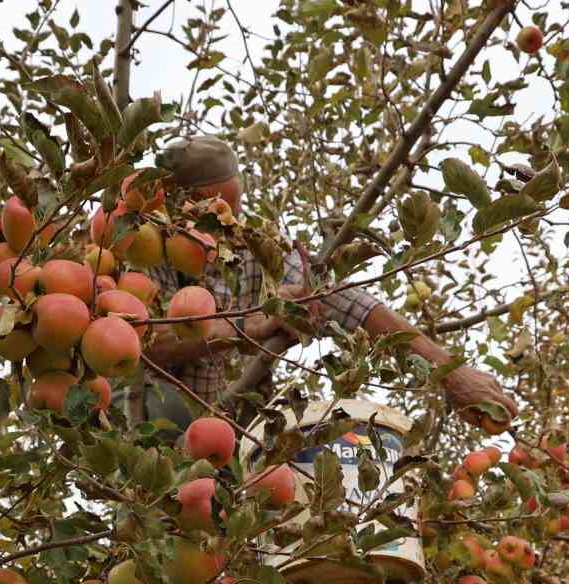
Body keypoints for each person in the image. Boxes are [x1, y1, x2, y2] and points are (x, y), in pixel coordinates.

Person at [139, 136, 520, 429]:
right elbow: (146, 340)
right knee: (167, 408)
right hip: (156, 431)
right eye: (210, 209)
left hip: (230, 428)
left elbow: (350, 303)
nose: (226, 223)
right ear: (171, 202)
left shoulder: (252, 243)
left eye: (232, 209)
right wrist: (249, 325)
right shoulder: (140, 244)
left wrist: (451, 373)